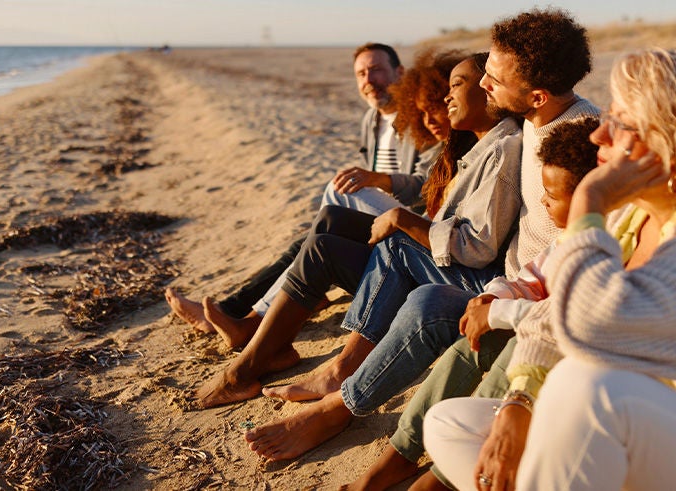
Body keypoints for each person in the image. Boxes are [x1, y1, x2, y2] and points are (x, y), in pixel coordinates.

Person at [425, 48, 676, 491]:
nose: (599, 134)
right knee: (452, 423)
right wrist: (519, 403)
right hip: (653, 429)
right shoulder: (634, 215)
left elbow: (588, 330)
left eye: (621, 122)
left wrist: (588, 203)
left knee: (587, 385)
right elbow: (551, 319)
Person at [234, 7, 600, 459]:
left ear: (538, 96)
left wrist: (504, 296)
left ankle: (340, 406)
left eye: (494, 81)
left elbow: (581, 249)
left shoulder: (575, 150)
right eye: (484, 74)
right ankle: (325, 360)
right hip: (508, 281)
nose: (486, 85)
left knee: (422, 294)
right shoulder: (531, 119)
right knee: (358, 230)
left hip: (529, 299)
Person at [193, 49, 518, 409]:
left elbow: (476, 248)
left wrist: (404, 220)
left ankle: (278, 367)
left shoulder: (502, 150)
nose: (445, 100)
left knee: (382, 240)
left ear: (490, 89)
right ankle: (265, 335)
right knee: (328, 225)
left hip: (464, 278)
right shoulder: (476, 146)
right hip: (442, 261)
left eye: (456, 86)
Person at [340, 117, 601, 491]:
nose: (543, 202)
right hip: (531, 325)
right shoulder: (567, 240)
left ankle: (440, 478)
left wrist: (495, 311)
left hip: (576, 363)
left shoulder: (601, 247)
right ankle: (400, 453)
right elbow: (530, 278)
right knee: (472, 342)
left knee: (509, 346)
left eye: (552, 196)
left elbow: (566, 318)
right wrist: (491, 298)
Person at [166, 42, 440, 337]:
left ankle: (255, 314)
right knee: (309, 241)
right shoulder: (371, 120)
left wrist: (379, 180)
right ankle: (235, 312)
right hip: (380, 216)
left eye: (376, 70)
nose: (369, 81)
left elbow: (427, 187)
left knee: (338, 196)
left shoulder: (423, 116)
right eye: (361, 74)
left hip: (413, 225)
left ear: (400, 72)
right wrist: (370, 183)